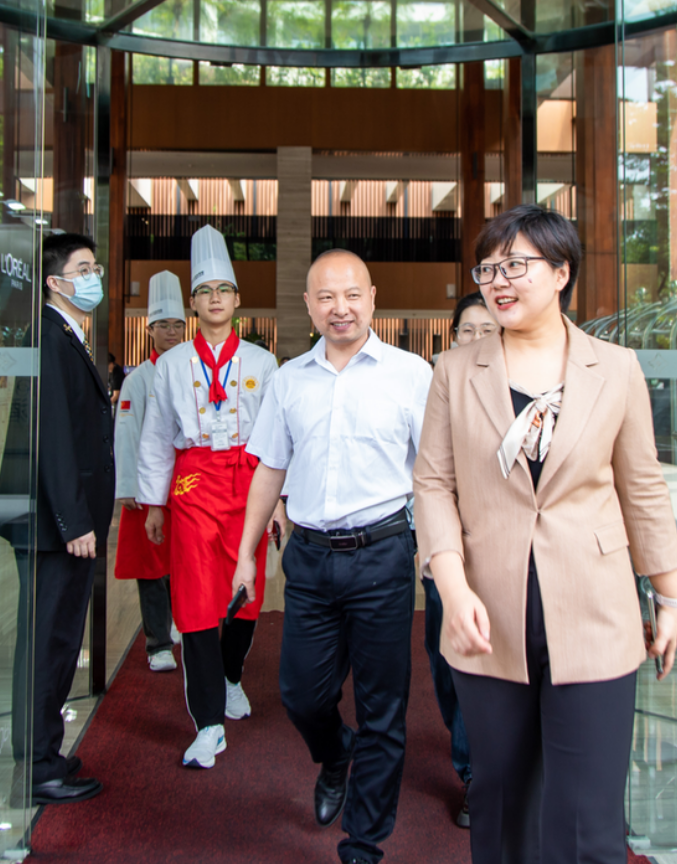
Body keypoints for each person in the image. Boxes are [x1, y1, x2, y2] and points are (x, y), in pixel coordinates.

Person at [413, 204, 677, 864]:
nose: (499, 281)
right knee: (502, 797)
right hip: (488, 613)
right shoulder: (455, 371)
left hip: (596, 610)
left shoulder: (615, 369)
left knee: (588, 814)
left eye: (518, 265)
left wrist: (670, 595)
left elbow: (640, 486)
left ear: (562, 272)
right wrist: (451, 587)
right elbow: (433, 485)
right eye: (489, 268)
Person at [233, 249, 432, 864]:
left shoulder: (411, 374)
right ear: (309, 306)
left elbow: (432, 475)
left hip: (383, 555)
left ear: (372, 297)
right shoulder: (288, 379)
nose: (339, 308)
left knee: (383, 706)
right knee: (300, 694)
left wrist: (440, 549)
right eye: (326, 297)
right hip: (311, 560)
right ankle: (333, 753)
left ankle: (364, 842)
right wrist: (246, 555)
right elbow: (269, 468)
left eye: (351, 295)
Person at [137, 225, 283, 769]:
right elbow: (155, 436)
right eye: (205, 291)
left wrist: (281, 502)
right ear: (195, 303)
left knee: (245, 595)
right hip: (194, 482)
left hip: (250, 480)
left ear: (237, 300)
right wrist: (155, 502)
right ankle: (209, 724)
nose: (215, 297)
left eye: (224, 288)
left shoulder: (263, 363)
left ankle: (230, 675)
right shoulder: (172, 366)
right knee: (198, 602)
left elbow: (279, 439)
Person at [0, 232, 114, 806]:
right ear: (54, 282)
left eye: (95, 267)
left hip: (60, 525)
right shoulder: (47, 337)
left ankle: (45, 750)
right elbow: (52, 439)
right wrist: (74, 521)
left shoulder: (66, 335)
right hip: (53, 528)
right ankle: (37, 764)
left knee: (57, 642)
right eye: (84, 268)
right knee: (49, 644)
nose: (94, 277)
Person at [422, 290, 501, 828]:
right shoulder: (438, 387)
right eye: (466, 331)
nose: (475, 339)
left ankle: (478, 775)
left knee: (486, 665)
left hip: (499, 555)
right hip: (446, 553)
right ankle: (469, 746)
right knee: (446, 665)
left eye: (486, 330)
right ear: (453, 339)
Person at [113, 271, 187, 672]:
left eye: (178, 325)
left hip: (188, 485)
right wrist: (128, 485)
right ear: (150, 329)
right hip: (148, 487)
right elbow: (125, 434)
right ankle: (157, 643)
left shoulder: (192, 369)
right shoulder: (138, 380)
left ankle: (177, 622)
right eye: (164, 325)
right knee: (151, 567)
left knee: (183, 561)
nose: (172, 332)